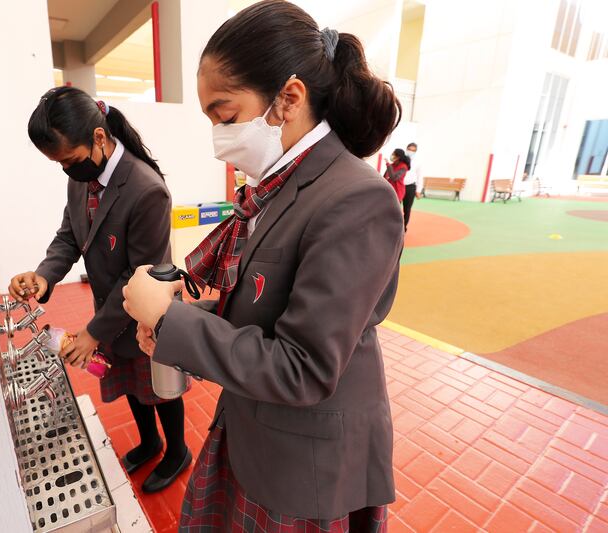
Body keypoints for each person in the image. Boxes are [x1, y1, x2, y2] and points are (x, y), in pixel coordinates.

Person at [122, 1, 404, 530]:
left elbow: (305, 368)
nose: (218, 139)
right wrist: (185, 315)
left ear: (289, 99)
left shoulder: (355, 199)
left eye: (225, 115)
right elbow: (263, 306)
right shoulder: (276, 188)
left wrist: (171, 321)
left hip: (304, 464)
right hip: (256, 428)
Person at [9, 87, 190, 493]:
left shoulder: (146, 190)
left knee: (159, 389)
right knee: (129, 383)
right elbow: (69, 236)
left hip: (146, 313)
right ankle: (150, 442)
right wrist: (44, 277)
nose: (67, 171)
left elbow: (138, 276)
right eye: (60, 165)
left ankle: (178, 450)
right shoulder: (82, 178)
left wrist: (92, 332)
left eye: (69, 161)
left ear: (98, 137)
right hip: (110, 310)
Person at [403, 142, 422, 229]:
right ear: (406, 149)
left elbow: (419, 177)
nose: (411, 151)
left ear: (416, 151)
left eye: (413, 150)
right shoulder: (401, 159)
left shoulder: (417, 163)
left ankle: (404, 227)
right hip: (399, 186)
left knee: (407, 209)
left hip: (410, 187)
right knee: (394, 207)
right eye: (409, 149)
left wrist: (418, 191)